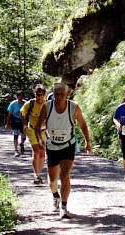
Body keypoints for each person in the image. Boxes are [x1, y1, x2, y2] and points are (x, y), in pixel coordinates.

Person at [35, 83, 91, 219]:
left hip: (68, 145)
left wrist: (88, 143)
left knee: (65, 175)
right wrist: (40, 140)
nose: (59, 97)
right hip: (52, 146)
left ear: (67, 95)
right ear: (53, 94)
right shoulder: (47, 107)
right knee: (53, 179)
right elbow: (37, 127)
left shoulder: (73, 108)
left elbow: (83, 125)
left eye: (62, 94)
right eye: (56, 94)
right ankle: (55, 196)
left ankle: (64, 207)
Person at [21, 84, 47, 184]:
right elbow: (22, 113)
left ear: (44, 95)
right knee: (36, 151)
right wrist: (24, 125)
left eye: (40, 95)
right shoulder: (30, 103)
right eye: (37, 94)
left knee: (42, 152)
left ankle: (39, 174)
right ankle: (36, 175)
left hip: (43, 131)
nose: (38, 97)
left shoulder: (47, 104)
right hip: (32, 129)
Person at [5, 91, 26, 157]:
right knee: (16, 135)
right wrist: (7, 123)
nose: (21, 98)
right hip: (15, 120)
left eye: (22, 96)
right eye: (19, 96)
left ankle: (22, 144)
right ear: (17, 97)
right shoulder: (13, 104)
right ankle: (16, 150)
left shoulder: (26, 103)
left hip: (23, 121)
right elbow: (9, 114)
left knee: (23, 136)